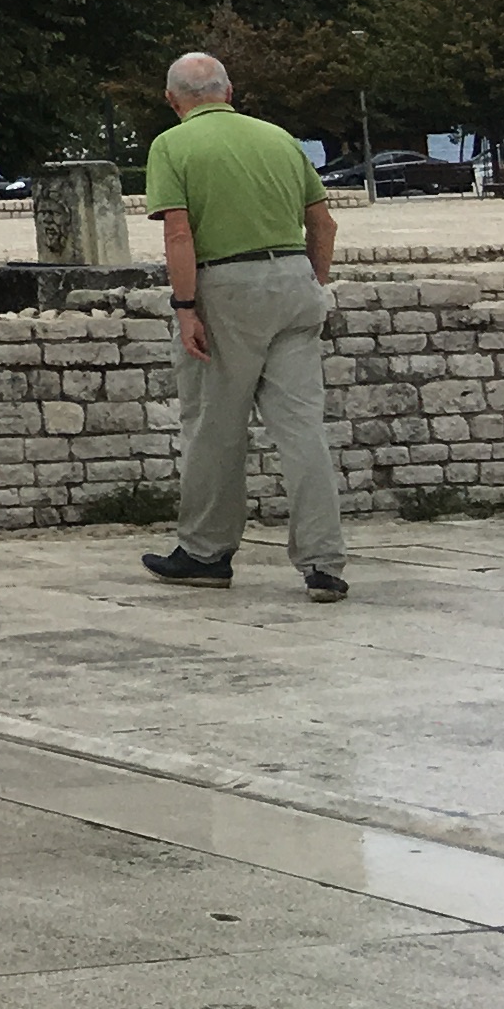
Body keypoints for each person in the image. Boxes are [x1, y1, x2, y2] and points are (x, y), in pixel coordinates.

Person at [140, 50, 346, 600]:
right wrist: (311, 279)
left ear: (172, 99)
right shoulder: (280, 139)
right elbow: (322, 223)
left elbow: (179, 236)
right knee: (302, 431)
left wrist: (186, 307)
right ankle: (324, 562)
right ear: (229, 93)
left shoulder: (171, 145)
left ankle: (206, 551)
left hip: (224, 289)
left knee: (215, 427)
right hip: (294, 282)